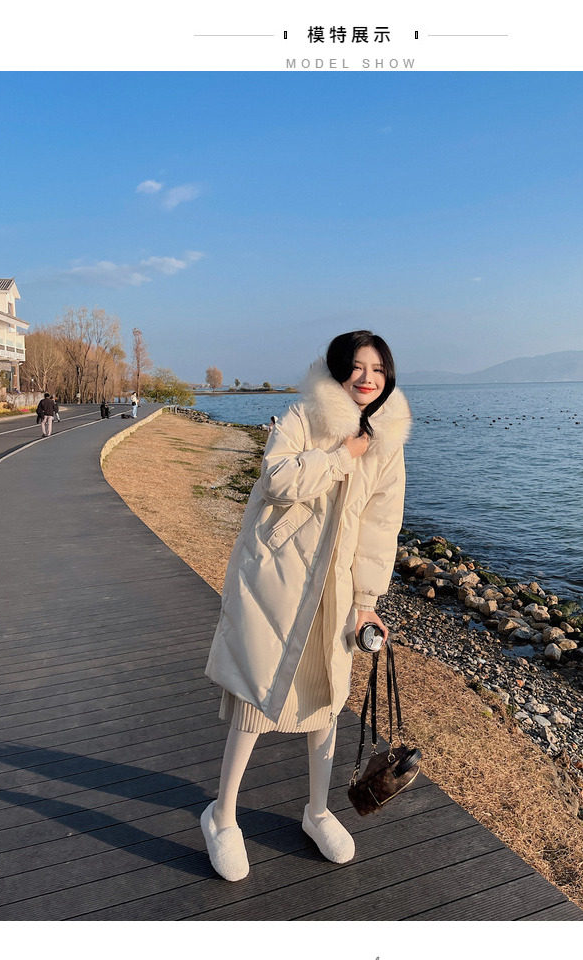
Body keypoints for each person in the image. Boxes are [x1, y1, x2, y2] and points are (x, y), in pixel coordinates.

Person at [202, 330, 411, 881]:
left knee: (327, 700)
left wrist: (366, 601)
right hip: (279, 577)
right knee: (256, 698)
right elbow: (276, 479)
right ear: (338, 369)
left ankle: (317, 812)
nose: (367, 378)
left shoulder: (388, 442)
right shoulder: (302, 416)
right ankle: (221, 817)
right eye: (358, 367)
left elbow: (380, 526)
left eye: (378, 370)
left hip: (336, 589)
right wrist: (342, 455)